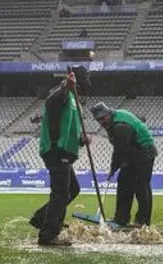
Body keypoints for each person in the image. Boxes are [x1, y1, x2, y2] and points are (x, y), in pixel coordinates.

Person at [30, 66, 92, 246]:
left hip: (64, 151)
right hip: (56, 150)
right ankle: (48, 234)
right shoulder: (62, 94)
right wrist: (65, 86)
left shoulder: (74, 100)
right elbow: (50, 103)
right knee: (61, 193)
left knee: (72, 190)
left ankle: (43, 218)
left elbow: (67, 129)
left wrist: (81, 140)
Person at [90, 102, 158, 229]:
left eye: (103, 118)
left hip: (144, 153)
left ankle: (142, 221)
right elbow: (122, 151)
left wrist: (113, 168)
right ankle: (121, 218)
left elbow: (120, 151)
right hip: (132, 152)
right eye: (99, 119)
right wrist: (116, 167)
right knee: (123, 184)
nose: (101, 121)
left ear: (108, 113)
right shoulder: (114, 120)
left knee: (141, 187)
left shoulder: (120, 127)